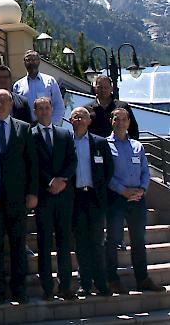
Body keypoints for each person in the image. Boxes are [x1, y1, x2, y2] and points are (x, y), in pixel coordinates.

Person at [0, 89, 38, 304]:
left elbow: (32, 163)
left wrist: (32, 192)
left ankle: (19, 289)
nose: (0, 104)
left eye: (4, 101)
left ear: (11, 104)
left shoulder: (24, 128)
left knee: (17, 244)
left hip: (17, 198)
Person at [105, 108, 164, 294]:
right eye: (117, 119)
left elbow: (146, 172)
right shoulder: (104, 145)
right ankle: (112, 279)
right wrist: (123, 191)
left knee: (138, 240)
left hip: (137, 200)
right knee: (113, 239)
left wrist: (142, 190)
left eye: (124, 119)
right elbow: (105, 175)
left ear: (129, 122)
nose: (120, 122)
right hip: (116, 199)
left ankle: (142, 279)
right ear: (111, 121)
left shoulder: (137, 146)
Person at [31, 97, 78, 301]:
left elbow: (72, 160)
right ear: (35, 111)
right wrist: (50, 181)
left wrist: (62, 180)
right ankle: (48, 288)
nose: (43, 111)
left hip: (64, 196)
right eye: (39, 108)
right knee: (44, 242)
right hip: (44, 196)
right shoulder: (29, 135)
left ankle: (65, 285)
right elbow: (32, 164)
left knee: (64, 241)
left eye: (46, 108)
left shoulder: (64, 133)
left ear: (52, 109)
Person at [69, 106, 114, 297]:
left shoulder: (100, 143)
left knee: (97, 242)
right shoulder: (65, 141)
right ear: (71, 121)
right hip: (76, 198)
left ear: (89, 121)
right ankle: (84, 283)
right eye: (75, 117)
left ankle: (101, 283)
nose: (79, 120)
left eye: (83, 117)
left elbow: (108, 170)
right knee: (81, 244)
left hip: (94, 198)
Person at [13, 50, 64, 125]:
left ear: (39, 61)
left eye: (34, 59)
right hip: (27, 128)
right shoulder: (18, 85)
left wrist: (51, 124)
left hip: (47, 127)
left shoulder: (50, 81)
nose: (31, 62)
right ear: (24, 63)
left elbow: (59, 105)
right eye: (28, 60)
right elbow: (15, 109)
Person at [85, 75, 140, 140]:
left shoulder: (122, 106)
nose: (103, 90)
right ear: (95, 88)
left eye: (106, 87)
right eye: (100, 87)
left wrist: (127, 145)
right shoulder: (87, 110)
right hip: (96, 148)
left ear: (111, 88)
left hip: (118, 147)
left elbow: (134, 130)